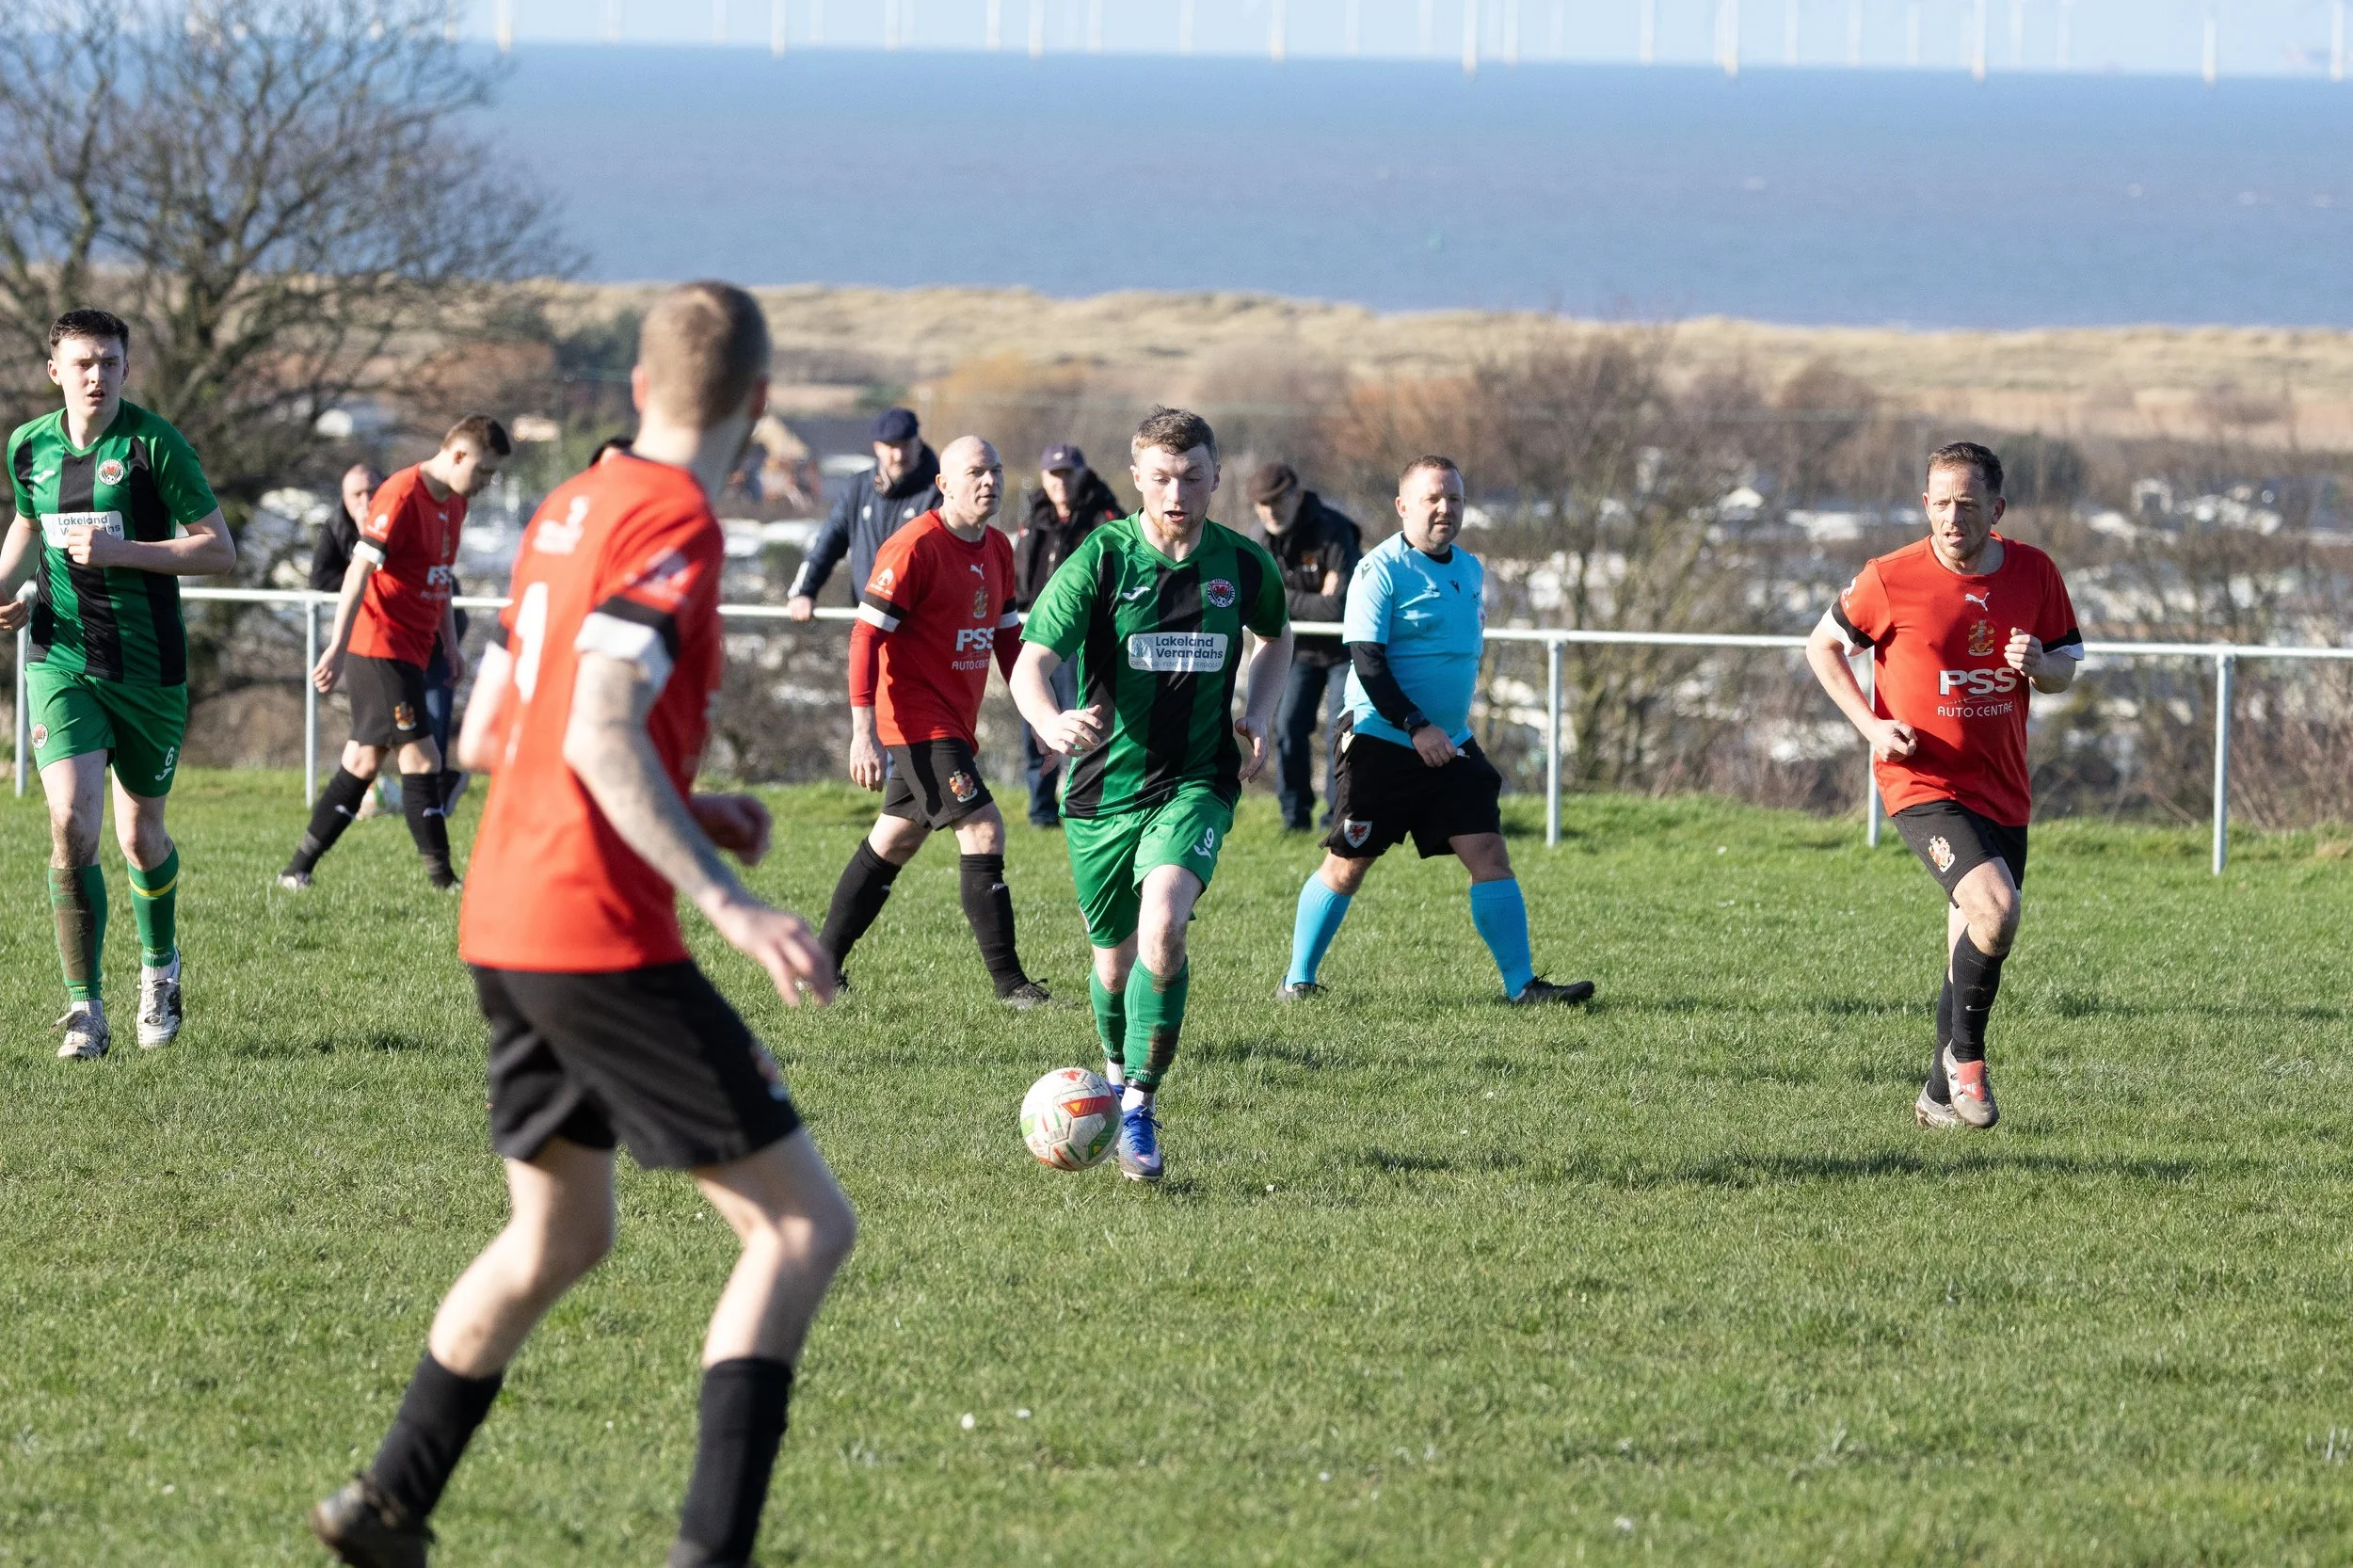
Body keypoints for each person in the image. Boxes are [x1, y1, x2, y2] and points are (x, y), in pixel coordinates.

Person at [309, 282, 855, 1568]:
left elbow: (504, 728)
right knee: (800, 1227)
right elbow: (601, 726)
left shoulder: (569, 504)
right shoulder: (678, 522)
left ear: (634, 393)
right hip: (593, 930)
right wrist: (729, 902)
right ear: (761, 405)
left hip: (503, 913)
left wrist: (687, 796)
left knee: (563, 1231)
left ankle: (388, 1503)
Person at [1011, 407, 1292, 1184]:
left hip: (1198, 780)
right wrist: (1050, 719)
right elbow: (1030, 663)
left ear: (1215, 478)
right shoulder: (1100, 561)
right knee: (1112, 965)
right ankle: (1112, 1069)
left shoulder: (1242, 566)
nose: (1178, 493)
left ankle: (1137, 1103)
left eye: (1193, 477)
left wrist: (1257, 710)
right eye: (1162, 478)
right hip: (1102, 791)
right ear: (1137, 478)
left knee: (1163, 927)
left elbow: (1276, 636)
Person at [1805, 440, 2080, 1130]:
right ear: (1924, 504)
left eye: (1966, 503)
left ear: (1996, 508)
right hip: (1921, 782)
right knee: (1997, 910)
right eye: (1940, 503)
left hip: (2003, 788)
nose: (1951, 517)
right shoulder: (1889, 577)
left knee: (1978, 939)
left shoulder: (2035, 572)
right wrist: (1870, 727)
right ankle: (1969, 1064)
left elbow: (2067, 667)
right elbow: (1822, 646)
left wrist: (2040, 663)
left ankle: (1935, 1095)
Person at [0, 308, 236, 1061]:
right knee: (71, 823)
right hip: (61, 658)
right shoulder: (28, 447)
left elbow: (218, 551)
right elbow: (28, 525)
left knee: (140, 834)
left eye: (108, 361)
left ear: (127, 367)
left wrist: (123, 549)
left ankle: (159, 970)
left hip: (149, 667)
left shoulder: (153, 444)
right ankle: (84, 1009)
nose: (96, 376)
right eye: (82, 363)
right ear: (54, 371)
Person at [1279, 457, 1594, 1009]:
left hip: (1448, 744)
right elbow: (1367, 661)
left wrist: (1439, 728)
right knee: (1347, 864)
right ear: (1404, 506)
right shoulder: (1379, 571)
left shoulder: (1470, 570)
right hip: (1381, 739)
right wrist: (1415, 725)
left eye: (1454, 498)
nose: (1445, 508)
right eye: (1432, 498)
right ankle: (1296, 980)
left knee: (1490, 854)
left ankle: (1522, 988)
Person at [816, 436, 1048, 1005]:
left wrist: (1039, 715)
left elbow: (1008, 640)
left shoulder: (997, 548)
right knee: (984, 826)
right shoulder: (913, 547)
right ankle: (1011, 985)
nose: (989, 481)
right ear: (944, 485)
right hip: (916, 720)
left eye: (995, 470)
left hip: (954, 720)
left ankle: (818, 966)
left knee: (894, 839)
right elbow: (865, 636)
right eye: (975, 472)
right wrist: (861, 731)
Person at [279, 417, 508, 890]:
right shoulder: (402, 494)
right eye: (484, 472)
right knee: (422, 759)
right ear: (458, 456)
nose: (487, 484)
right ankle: (444, 881)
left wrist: (449, 643)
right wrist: (338, 647)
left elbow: (439, 578)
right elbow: (357, 572)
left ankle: (296, 869)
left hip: (413, 649)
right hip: (379, 644)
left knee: (362, 763)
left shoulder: (455, 504)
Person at [1011, 443, 1121, 826]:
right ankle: (1041, 809)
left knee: (1084, 719)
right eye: (1053, 476)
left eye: (1067, 475)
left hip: (1086, 639)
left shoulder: (1105, 517)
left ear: (1081, 475)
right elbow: (1021, 569)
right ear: (1044, 478)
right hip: (1036, 632)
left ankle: (1086, 803)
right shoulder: (1034, 516)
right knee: (1037, 720)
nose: (1060, 483)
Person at [1250, 461, 1361, 832]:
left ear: (1297, 496)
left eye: (1277, 501)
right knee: (1287, 727)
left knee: (1341, 733)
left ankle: (1336, 820)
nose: (1270, 511)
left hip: (1345, 650)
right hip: (1298, 650)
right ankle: (1294, 819)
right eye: (1262, 504)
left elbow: (1338, 608)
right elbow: (1256, 600)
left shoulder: (1335, 530)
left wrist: (1282, 596)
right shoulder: (1262, 540)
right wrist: (1306, 598)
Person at [780, 407, 940, 621]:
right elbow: (828, 541)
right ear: (877, 448)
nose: (899, 455)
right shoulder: (858, 488)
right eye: (892, 446)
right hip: (869, 621)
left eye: (906, 445)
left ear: (918, 443)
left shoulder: (940, 491)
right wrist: (803, 592)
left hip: (921, 624)